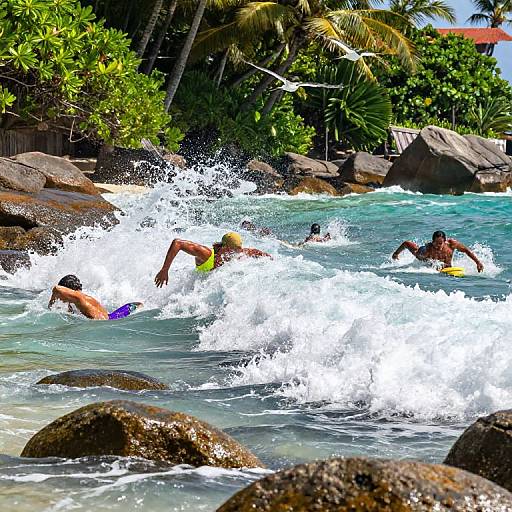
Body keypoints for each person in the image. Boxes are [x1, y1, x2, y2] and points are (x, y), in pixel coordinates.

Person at [154, 232, 271, 287]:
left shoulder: (236, 253)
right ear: (225, 247)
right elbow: (177, 243)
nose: (237, 253)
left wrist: (269, 259)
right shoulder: (206, 254)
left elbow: (254, 252)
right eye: (234, 249)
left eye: (238, 249)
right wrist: (165, 270)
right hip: (194, 287)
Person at [392, 230, 484, 272]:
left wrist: (478, 262)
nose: (438, 246)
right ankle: (396, 254)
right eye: (435, 243)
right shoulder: (429, 248)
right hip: (424, 253)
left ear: (445, 241)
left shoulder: (452, 244)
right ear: (432, 241)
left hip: (447, 267)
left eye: (440, 243)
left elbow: (466, 251)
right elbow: (427, 262)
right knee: (412, 248)